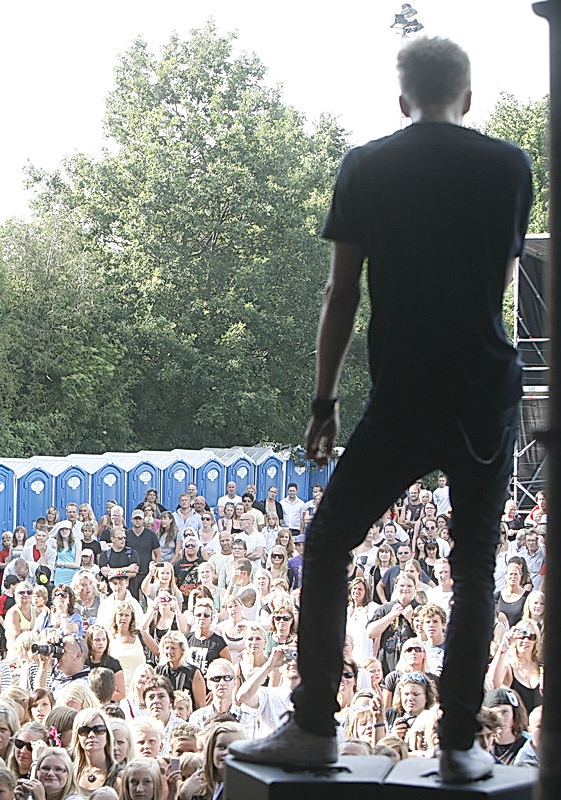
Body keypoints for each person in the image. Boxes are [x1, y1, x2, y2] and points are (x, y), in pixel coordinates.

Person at [230, 37, 533, 783]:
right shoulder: (510, 166)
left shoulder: (367, 164)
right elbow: (501, 274)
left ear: (401, 101)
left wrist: (324, 402)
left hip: (405, 392)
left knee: (330, 543)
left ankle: (314, 728)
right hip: (482, 388)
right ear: (467, 98)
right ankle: (461, 745)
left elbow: (342, 294)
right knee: (474, 565)